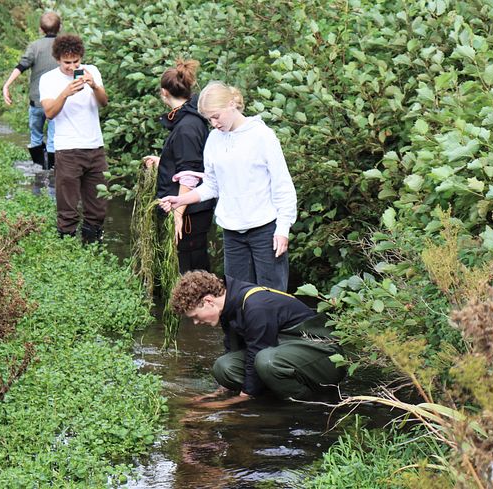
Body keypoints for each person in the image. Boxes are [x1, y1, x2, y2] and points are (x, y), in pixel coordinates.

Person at [159, 81, 297, 291]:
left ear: (232, 104)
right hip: (232, 232)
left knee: (271, 300)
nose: (214, 123)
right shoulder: (214, 139)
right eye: (209, 119)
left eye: (216, 116)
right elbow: (212, 185)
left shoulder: (262, 136)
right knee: (238, 299)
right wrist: (181, 200)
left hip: (265, 230)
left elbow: (283, 185)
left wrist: (283, 229)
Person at [170, 271, 345, 404]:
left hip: (326, 356)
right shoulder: (228, 306)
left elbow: (258, 352)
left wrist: (233, 402)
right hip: (288, 353)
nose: (195, 323)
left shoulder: (255, 306)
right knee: (223, 366)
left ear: (208, 301)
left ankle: (308, 402)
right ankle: (273, 396)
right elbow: (235, 350)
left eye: (195, 316)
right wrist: (219, 393)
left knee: (266, 361)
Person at [142, 59, 215, 274]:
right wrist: (163, 161)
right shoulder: (189, 119)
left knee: (191, 268)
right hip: (190, 208)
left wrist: (178, 214)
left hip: (190, 211)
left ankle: (203, 305)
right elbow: (187, 161)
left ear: (164, 92)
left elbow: (189, 175)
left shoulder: (187, 127)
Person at [39, 34, 109, 243]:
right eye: (67, 62)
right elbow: (49, 113)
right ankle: (66, 246)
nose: (72, 67)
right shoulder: (49, 79)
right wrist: (65, 93)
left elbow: (104, 103)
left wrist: (94, 85)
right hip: (67, 149)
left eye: (76, 61)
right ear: (58, 59)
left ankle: (92, 246)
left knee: (98, 204)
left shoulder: (92, 71)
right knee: (67, 206)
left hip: (95, 147)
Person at [2, 11, 61, 170]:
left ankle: (39, 170)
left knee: (36, 137)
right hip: (57, 103)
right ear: (59, 28)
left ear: (41, 29)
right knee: (53, 139)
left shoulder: (35, 46)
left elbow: (21, 66)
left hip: (37, 102)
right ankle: (52, 173)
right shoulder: (63, 46)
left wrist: (6, 85)